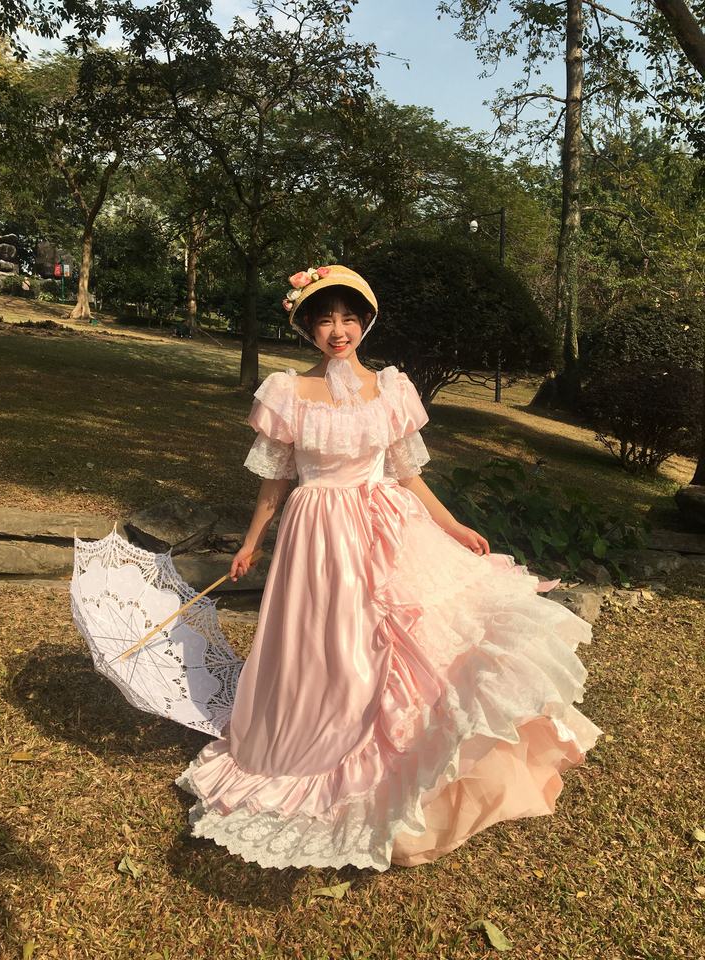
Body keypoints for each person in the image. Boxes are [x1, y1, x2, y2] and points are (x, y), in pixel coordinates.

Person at [175, 264, 602, 872]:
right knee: (322, 646)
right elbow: (274, 482)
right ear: (306, 327)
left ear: (366, 323)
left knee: (393, 640)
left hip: (384, 528)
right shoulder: (287, 392)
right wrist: (250, 543)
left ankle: (399, 755)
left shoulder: (391, 389)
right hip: (315, 537)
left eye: (349, 318)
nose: (338, 331)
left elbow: (408, 474)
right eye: (325, 320)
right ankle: (314, 738)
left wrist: (452, 526)